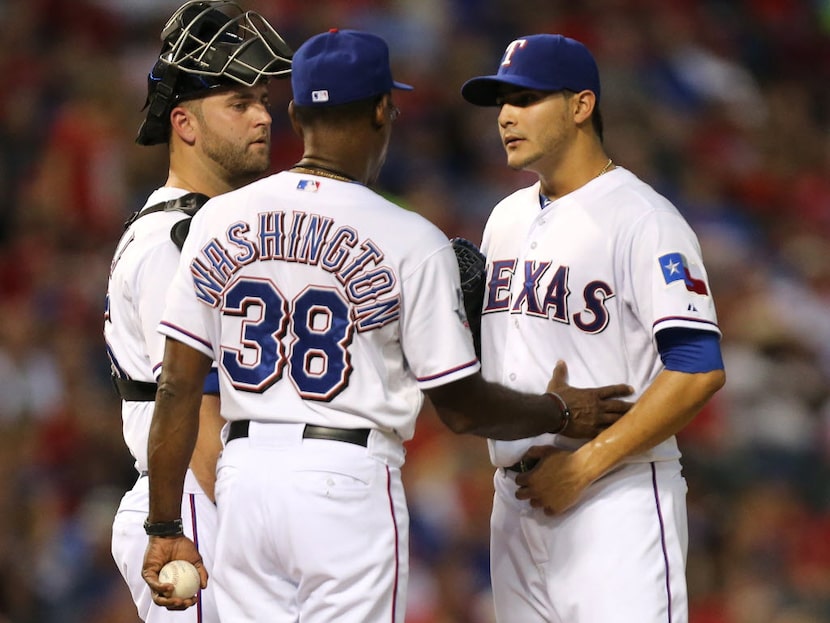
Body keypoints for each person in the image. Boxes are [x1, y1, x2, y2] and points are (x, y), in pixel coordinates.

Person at [139, 28, 634, 623]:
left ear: (294, 114)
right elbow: (461, 408)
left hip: (243, 480)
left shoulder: (218, 218)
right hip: (345, 483)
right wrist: (557, 411)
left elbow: (175, 388)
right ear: (383, 111)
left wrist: (166, 525)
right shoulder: (410, 238)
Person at [460, 34, 727, 622]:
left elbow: (698, 370)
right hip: (515, 502)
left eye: (526, 98)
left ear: (581, 106)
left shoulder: (644, 219)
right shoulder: (504, 217)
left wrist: (584, 465)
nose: (505, 115)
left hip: (614, 496)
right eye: (501, 101)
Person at [103, 2, 292, 621]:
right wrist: (261, 537)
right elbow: (193, 406)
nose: (263, 116)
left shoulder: (216, 227)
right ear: (184, 124)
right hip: (193, 504)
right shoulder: (171, 242)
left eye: (262, 101)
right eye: (239, 104)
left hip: (220, 494)